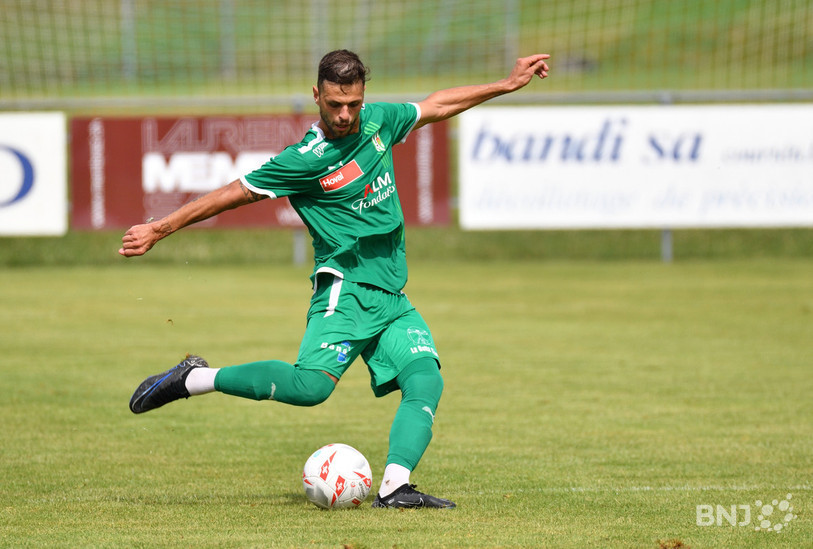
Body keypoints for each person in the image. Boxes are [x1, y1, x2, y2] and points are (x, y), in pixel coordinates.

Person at [121, 49, 550, 509]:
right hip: (345, 290)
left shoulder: (378, 122)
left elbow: (436, 105)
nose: (345, 115)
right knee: (311, 389)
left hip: (390, 293)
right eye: (334, 105)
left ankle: (395, 487)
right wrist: (160, 228)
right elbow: (232, 194)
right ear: (316, 96)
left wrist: (504, 85)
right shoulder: (305, 159)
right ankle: (194, 379)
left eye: (353, 104)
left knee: (425, 379)